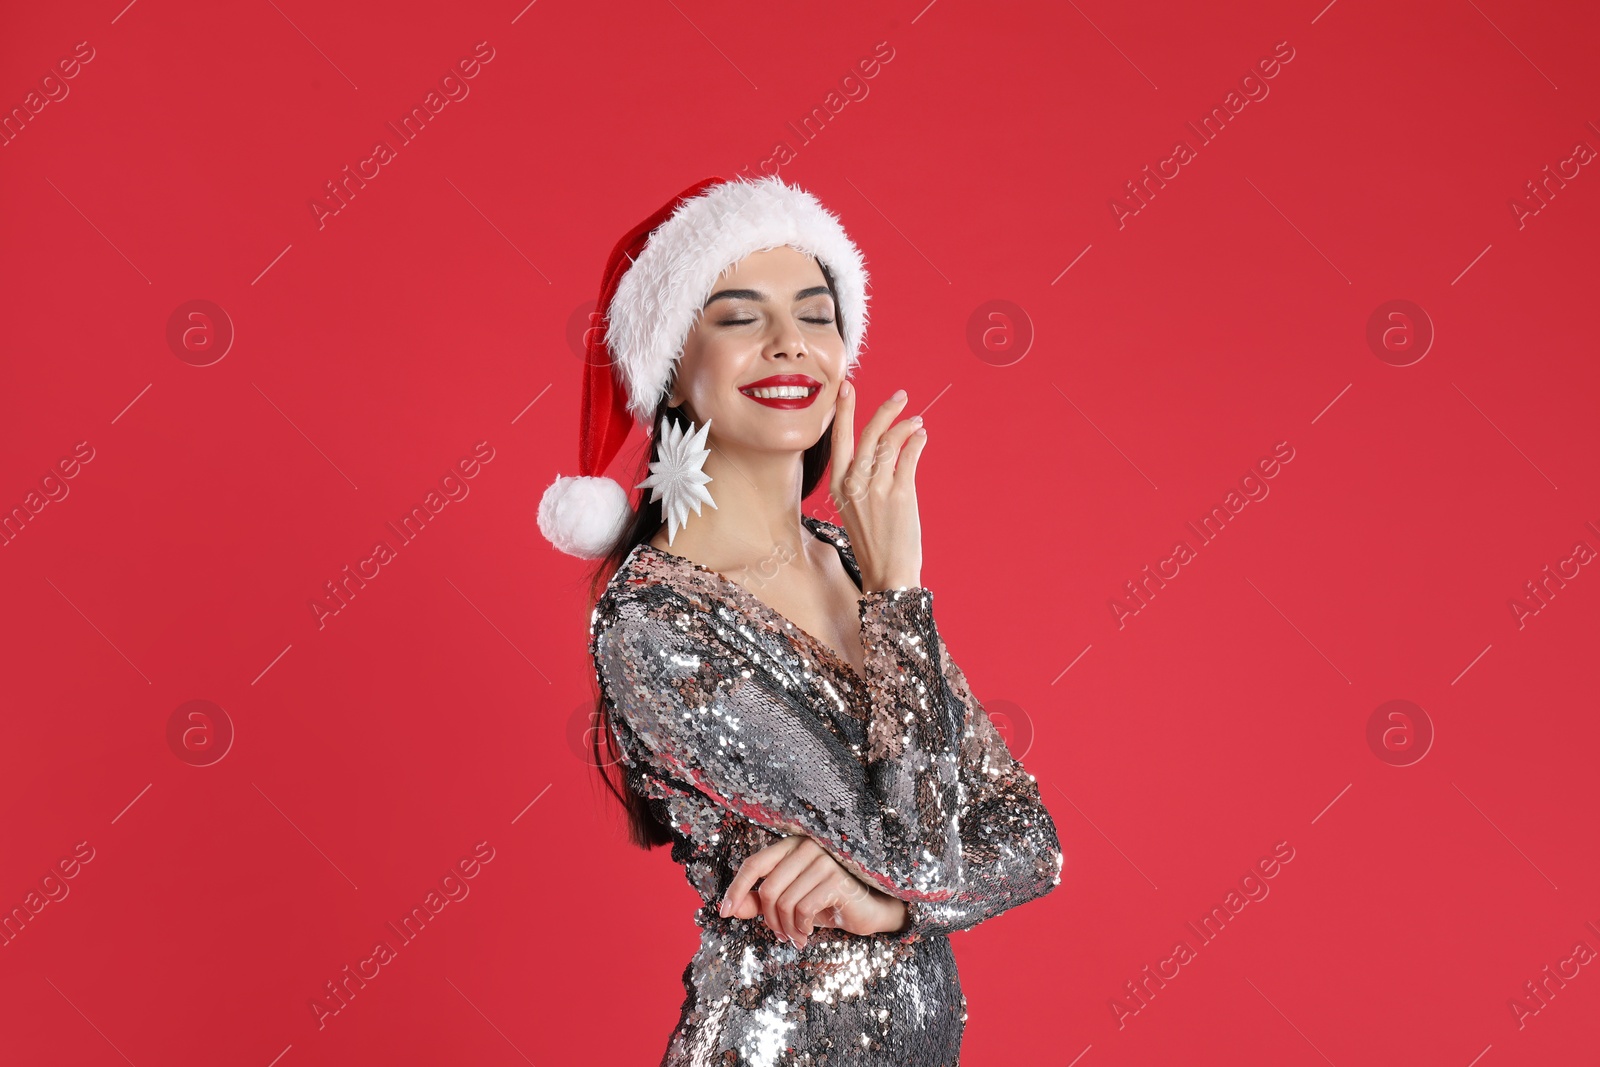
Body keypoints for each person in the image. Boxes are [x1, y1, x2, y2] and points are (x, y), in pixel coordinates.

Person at [538, 175, 1064, 1066]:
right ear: (672, 364)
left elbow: (1028, 840)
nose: (790, 345)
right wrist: (899, 591)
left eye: (817, 316)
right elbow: (920, 845)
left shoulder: (845, 559)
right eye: (740, 318)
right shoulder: (657, 622)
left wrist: (889, 902)